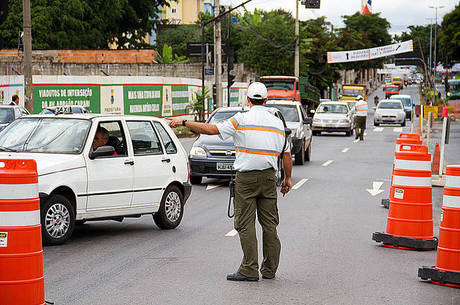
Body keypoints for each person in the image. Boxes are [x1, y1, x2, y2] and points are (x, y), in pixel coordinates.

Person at [168, 82, 292, 282]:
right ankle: (269, 270)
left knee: (245, 223)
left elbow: (210, 130)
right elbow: (286, 154)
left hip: (247, 178)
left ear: (248, 100)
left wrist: (184, 123)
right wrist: (287, 178)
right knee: (270, 225)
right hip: (270, 177)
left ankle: (249, 269)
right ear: (266, 100)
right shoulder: (277, 123)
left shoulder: (241, 119)